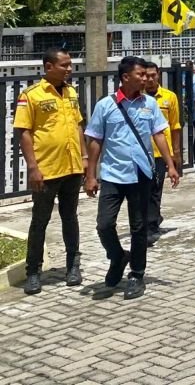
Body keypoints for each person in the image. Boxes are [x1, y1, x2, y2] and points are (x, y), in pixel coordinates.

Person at [85, 56, 179, 299]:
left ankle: (137, 274)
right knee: (104, 224)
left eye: (148, 75)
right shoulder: (105, 105)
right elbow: (95, 140)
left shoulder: (150, 104)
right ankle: (117, 257)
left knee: (139, 227)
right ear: (126, 77)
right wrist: (90, 175)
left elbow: (159, 134)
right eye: (141, 75)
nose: (146, 78)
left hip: (141, 174)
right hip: (113, 174)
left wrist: (170, 165)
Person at [14, 47, 87, 295]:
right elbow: (23, 131)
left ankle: (72, 266)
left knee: (71, 218)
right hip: (46, 169)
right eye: (64, 65)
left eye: (70, 65)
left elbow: (78, 125)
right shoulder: (31, 95)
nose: (69, 69)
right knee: (40, 221)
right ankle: (33, 272)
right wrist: (33, 168)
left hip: (72, 167)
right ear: (48, 67)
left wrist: (84, 157)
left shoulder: (71, 92)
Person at [143, 61, 182, 247]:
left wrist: (176, 153)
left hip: (161, 152)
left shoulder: (169, 97)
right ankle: (153, 217)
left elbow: (175, 126)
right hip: (142, 152)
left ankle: (151, 227)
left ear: (158, 75)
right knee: (143, 190)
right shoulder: (137, 98)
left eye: (153, 75)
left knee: (155, 190)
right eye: (146, 76)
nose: (150, 79)